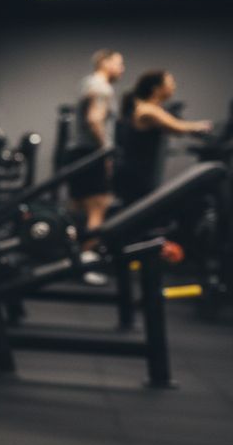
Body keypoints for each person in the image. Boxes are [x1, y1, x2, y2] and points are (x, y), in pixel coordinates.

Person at [61, 49, 124, 283]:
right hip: (91, 153)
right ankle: (85, 265)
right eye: (119, 63)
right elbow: (95, 119)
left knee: (77, 207)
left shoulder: (87, 83)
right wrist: (106, 151)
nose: (122, 69)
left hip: (77, 152)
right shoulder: (102, 87)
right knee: (98, 207)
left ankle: (70, 259)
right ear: (105, 63)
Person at [116, 70, 212, 204]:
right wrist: (204, 126)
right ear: (156, 89)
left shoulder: (150, 108)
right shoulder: (147, 110)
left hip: (142, 174)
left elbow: (177, 129)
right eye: (170, 83)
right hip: (136, 175)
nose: (174, 86)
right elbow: (177, 127)